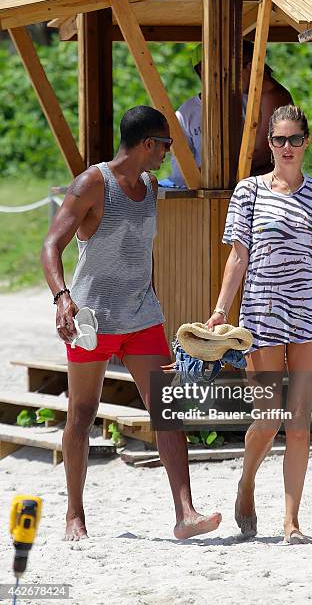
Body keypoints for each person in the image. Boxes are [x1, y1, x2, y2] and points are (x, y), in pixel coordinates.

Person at [41, 105, 221, 541]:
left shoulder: (151, 184)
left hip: (142, 318)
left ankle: (186, 514)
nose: (168, 154)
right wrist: (62, 297)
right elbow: (51, 245)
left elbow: (144, 252)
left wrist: (156, 300)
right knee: (81, 415)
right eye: (166, 145)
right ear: (147, 144)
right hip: (92, 320)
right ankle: (75, 517)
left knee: (166, 409)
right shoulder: (92, 184)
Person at [207, 105, 312, 543]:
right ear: (269, 143)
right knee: (269, 417)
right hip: (261, 314)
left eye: (296, 139)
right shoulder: (248, 193)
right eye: (279, 140)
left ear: (306, 141)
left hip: (311, 315)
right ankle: (247, 483)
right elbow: (237, 258)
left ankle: (291, 522)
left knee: (298, 422)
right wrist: (221, 312)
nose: (288, 147)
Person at [167, 41, 292, 187]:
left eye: (232, 70)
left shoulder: (272, 97)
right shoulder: (185, 113)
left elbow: (264, 155)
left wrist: (216, 174)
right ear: (201, 70)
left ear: (251, 66)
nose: (230, 77)